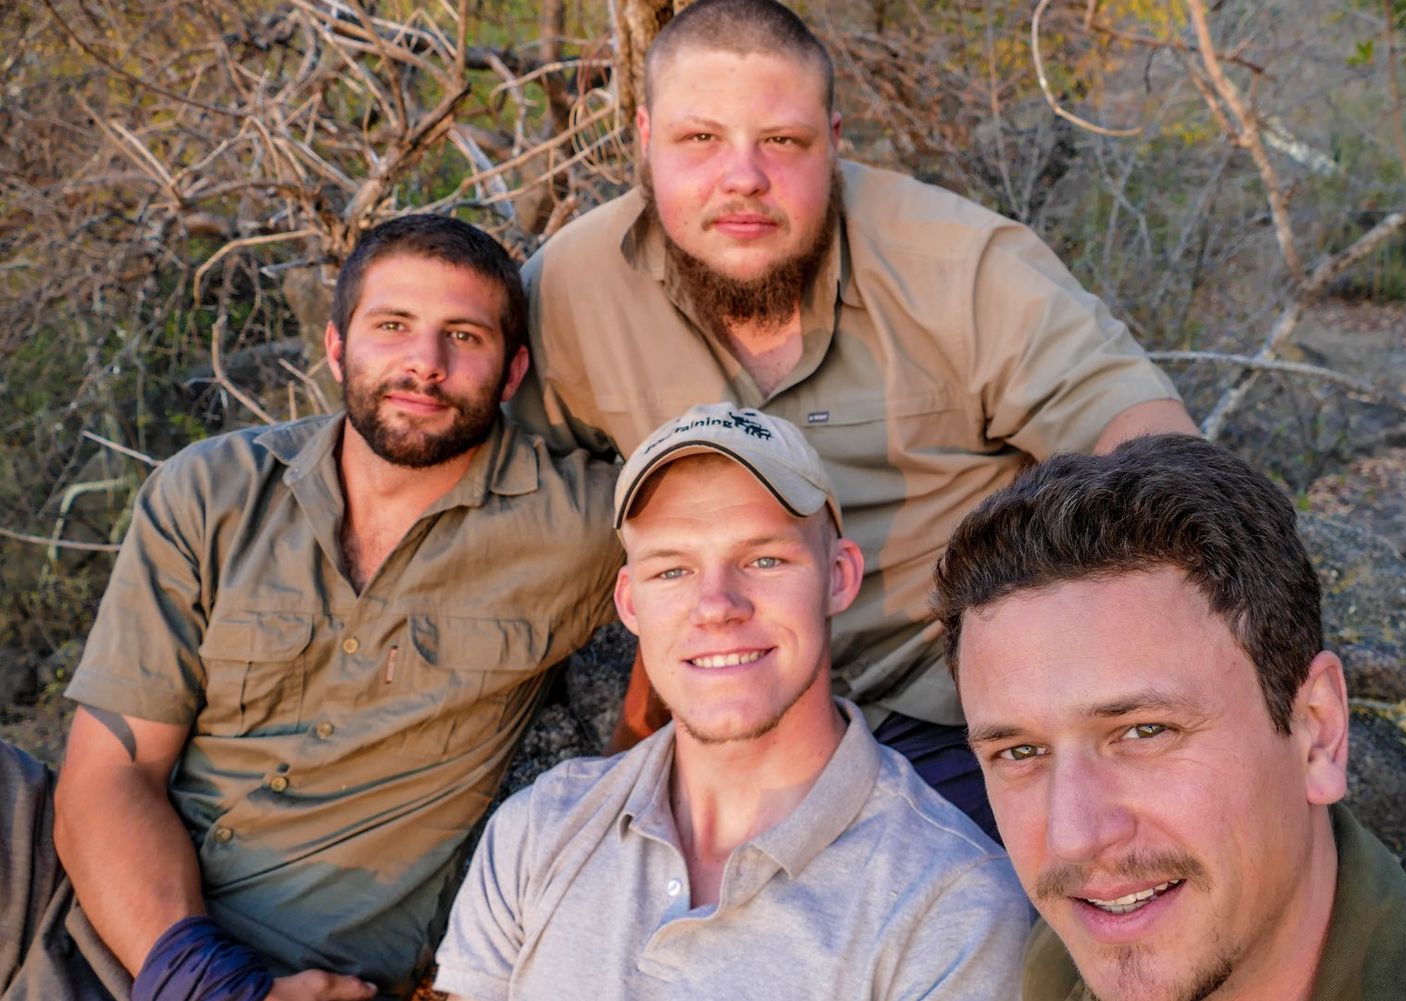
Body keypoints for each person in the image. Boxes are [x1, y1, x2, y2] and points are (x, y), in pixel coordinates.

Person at [509, 0, 1197, 835]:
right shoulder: (575, 287)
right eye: (701, 139)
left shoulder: (959, 264)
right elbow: (494, 467)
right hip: (722, 695)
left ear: (833, 140)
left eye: (782, 140)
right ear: (646, 138)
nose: (743, 176)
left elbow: (1149, 444)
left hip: (942, 708)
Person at [0, 215, 624, 1000]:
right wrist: (206, 985)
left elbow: (732, 514)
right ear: (335, 346)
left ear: (512, 371)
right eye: (392, 325)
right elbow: (112, 773)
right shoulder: (214, 489)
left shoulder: (582, 526)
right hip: (86, 893)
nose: (424, 363)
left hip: (287, 964)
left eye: (463, 336)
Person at [930, 434, 1406, 1001]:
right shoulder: (1052, 970)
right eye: (1019, 752)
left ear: (1318, 730)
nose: (1074, 834)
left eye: (1144, 732)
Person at [432, 404, 1028, 1000]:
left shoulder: (952, 902)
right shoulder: (537, 830)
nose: (717, 606)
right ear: (630, 602)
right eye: (672, 571)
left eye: (764, 560)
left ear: (839, 576)